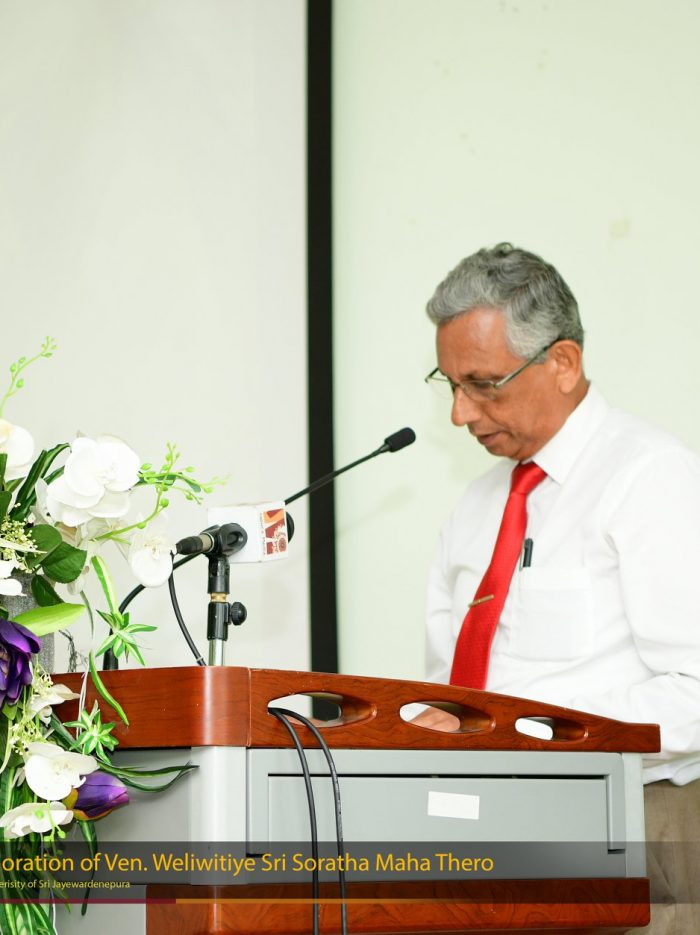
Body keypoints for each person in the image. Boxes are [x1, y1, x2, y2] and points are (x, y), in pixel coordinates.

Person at [421, 242, 700, 934]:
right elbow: (450, 684)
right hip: (484, 835)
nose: (460, 413)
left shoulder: (652, 478)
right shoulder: (476, 504)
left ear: (564, 363)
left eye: (482, 384)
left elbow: (695, 691)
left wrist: (516, 731)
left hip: (636, 827)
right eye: (448, 384)